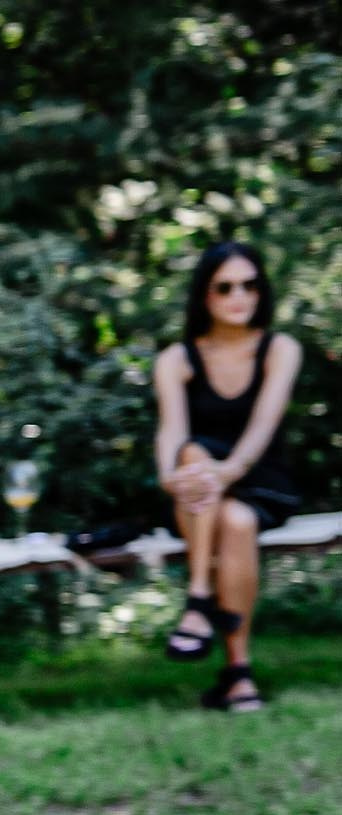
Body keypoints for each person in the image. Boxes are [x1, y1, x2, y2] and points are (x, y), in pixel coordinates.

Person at [152, 241, 303, 712]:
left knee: (223, 492)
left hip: (261, 478)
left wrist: (226, 471)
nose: (239, 296)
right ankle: (239, 677)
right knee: (200, 465)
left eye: (249, 285)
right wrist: (168, 477)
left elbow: (264, 425)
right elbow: (171, 433)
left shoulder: (280, 349)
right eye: (225, 287)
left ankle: (198, 604)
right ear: (205, 296)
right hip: (198, 494)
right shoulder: (176, 360)